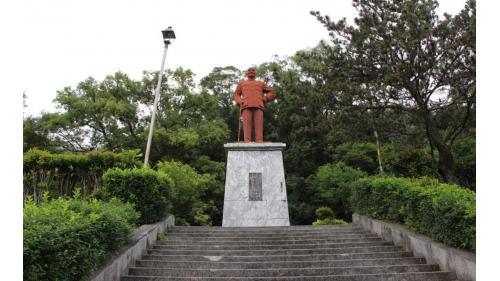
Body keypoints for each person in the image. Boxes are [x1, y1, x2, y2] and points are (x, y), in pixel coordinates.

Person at [233, 67, 276, 143]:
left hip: (258, 106)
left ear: (255, 73)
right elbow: (236, 94)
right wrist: (240, 101)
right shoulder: (242, 83)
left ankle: (259, 140)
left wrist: (265, 98)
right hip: (246, 106)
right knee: (246, 125)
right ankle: (247, 141)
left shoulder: (260, 83)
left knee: (259, 125)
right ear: (247, 73)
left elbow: (272, 92)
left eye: (253, 70)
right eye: (249, 70)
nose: (251, 71)